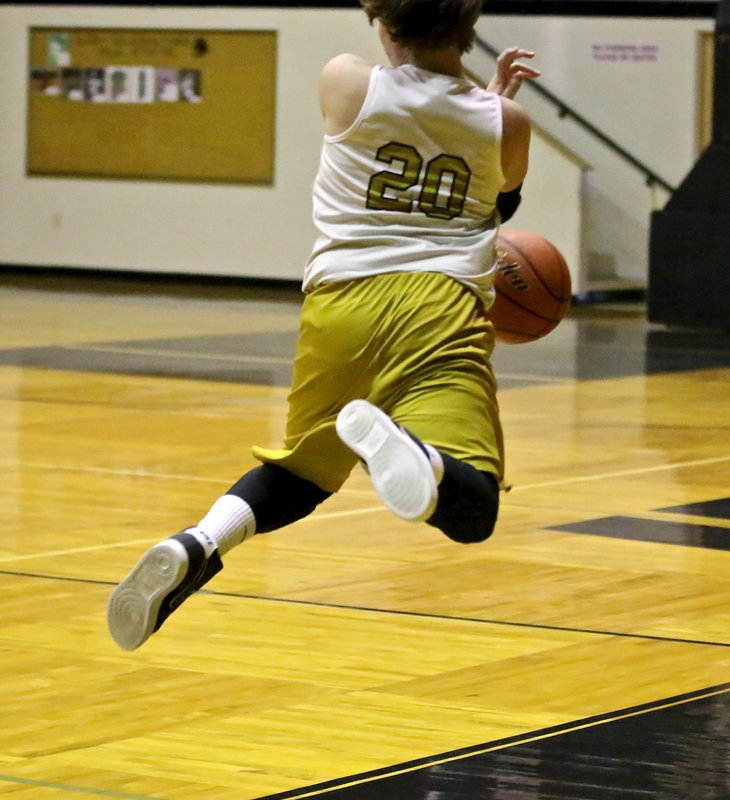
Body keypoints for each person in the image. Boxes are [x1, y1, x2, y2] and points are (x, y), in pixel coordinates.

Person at [107, 0, 538, 651]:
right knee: (471, 507)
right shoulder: (506, 119)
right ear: (468, 26)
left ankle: (198, 542)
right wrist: (491, 98)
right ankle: (420, 459)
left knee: (301, 475)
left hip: (340, 304)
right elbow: (500, 202)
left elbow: (417, 106)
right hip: (438, 308)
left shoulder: (345, 79)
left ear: (383, 24)